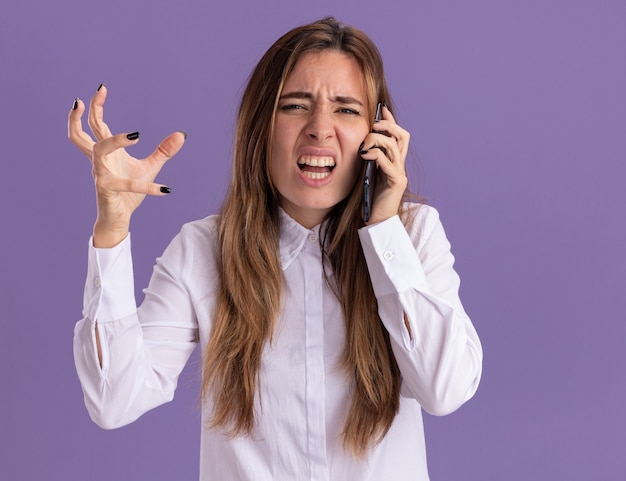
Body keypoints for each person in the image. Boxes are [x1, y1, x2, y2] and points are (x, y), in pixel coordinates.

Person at [69, 17, 482, 481]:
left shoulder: (414, 235)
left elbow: (444, 390)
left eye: (346, 109)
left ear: (378, 133)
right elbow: (113, 400)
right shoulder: (204, 250)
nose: (320, 129)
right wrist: (112, 227)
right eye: (294, 106)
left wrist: (384, 230)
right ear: (261, 127)